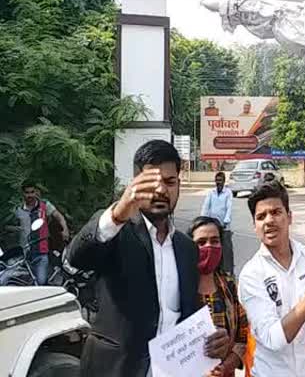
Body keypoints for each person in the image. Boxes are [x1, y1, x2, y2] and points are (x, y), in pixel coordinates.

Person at [66, 139, 229, 376]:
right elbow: (77, 258)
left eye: (170, 182)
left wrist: (211, 339)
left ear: (178, 186)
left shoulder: (186, 248)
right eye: (151, 182)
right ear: (135, 185)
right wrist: (118, 214)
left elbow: (186, 313)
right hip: (115, 369)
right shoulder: (115, 232)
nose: (162, 190)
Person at [238, 181, 305, 377]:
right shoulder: (251, 274)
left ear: (290, 217)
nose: (269, 220)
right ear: (255, 226)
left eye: (276, 212)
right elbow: (273, 339)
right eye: (261, 217)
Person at [189, 216, 249, 377]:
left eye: (215, 241)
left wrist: (225, 367)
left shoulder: (229, 286)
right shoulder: (181, 288)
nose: (209, 246)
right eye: (201, 243)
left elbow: (243, 336)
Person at [13, 181, 70, 285]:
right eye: (27, 192)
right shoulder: (18, 210)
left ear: (36, 192)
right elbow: (10, 226)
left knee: (41, 282)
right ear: (22, 193)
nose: (30, 195)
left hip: (41, 251)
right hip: (24, 254)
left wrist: (65, 229)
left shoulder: (44, 206)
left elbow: (59, 216)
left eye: (32, 192)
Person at [201, 171, 235, 274]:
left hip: (224, 226)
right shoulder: (211, 192)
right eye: (217, 180)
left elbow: (229, 207)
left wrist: (226, 220)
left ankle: (228, 271)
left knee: (226, 249)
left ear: (224, 181)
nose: (218, 182)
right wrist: (203, 219)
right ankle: (213, 269)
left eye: (220, 180)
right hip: (213, 225)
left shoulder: (228, 193)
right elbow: (206, 206)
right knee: (212, 248)